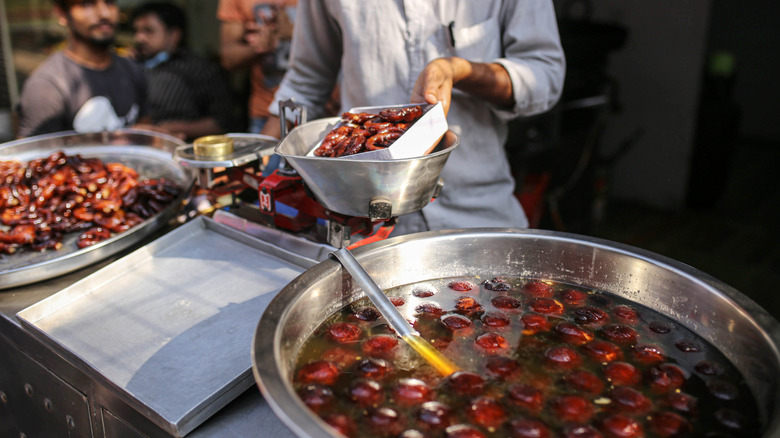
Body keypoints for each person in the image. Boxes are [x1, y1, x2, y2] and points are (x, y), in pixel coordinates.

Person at [266, 1, 566, 235]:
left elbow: (545, 75)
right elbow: (306, 80)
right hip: (360, 215)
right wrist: (263, 160)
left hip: (476, 209)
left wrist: (461, 71)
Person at [17, 0, 147, 138]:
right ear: (62, 14)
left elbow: (144, 125)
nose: (104, 13)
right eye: (87, 4)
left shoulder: (132, 69)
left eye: (109, 2)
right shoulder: (47, 85)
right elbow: (36, 155)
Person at [131, 2, 237, 141]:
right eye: (137, 31)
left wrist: (169, 127)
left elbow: (222, 122)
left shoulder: (199, 69)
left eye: (148, 31)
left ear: (174, 35)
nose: (139, 38)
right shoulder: (133, 66)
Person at [216, 0, 296, 135]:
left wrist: (292, 33)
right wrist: (260, 46)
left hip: (327, 105)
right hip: (267, 111)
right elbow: (228, 58)